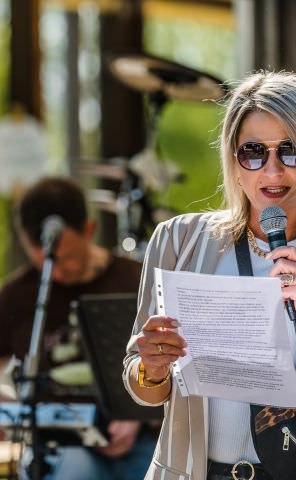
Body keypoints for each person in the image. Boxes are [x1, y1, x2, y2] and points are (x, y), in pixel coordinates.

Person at [122, 70, 296, 480]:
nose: (271, 171)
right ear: (233, 163)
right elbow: (142, 387)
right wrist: (151, 366)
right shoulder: (178, 241)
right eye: (253, 152)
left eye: (290, 150)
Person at [0, 176, 157, 480]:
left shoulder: (136, 279)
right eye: (44, 263)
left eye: (66, 258)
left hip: (140, 441)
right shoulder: (15, 296)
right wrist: (14, 414)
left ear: (89, 230)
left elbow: (178, 365)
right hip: (60, 447)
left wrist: (139, 417)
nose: (56, 271)